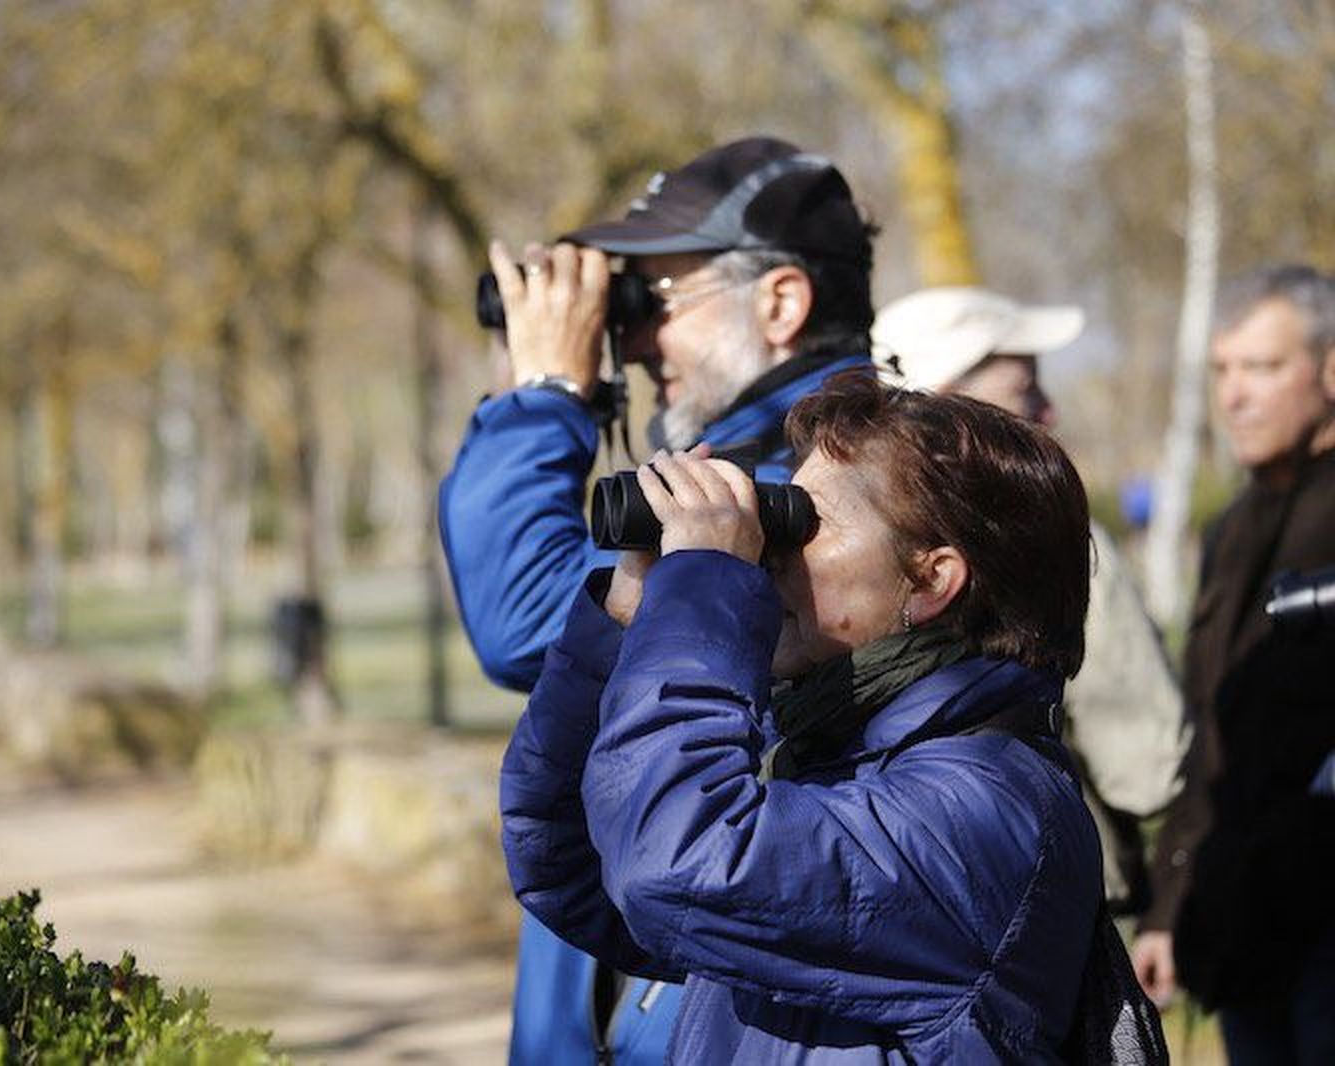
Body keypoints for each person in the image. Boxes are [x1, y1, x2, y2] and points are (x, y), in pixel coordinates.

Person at [502, 375, 1102, 1061]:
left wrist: (702, 586)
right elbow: (569, 859)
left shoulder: (988, 813)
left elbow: (674, 866)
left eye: (804, 523)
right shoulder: (835, 758)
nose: (770, 550)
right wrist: (627, 617)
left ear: (933, 580)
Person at [439, 136, 877, 1062]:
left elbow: (524, 619)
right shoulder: (733, 469)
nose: (632, 341)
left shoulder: (809, 494)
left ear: (782, 301)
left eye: (657, 301)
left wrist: (548, 393)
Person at [872, 285, 1190, 913]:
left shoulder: (844, 552)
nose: (1048, 413)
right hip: (1055, 894)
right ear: (947, 408)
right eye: (1024, 393)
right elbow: (1147, 768)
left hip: (898, 897)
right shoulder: (1055, 539)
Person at [1130, 264, 1335, 1062]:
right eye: (1223, 370)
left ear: (1329, 369)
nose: (1235, 395)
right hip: (1244, 933)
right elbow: (1212, 736)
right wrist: (1168, 906)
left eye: (1263, 366)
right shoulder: (1231, 530)